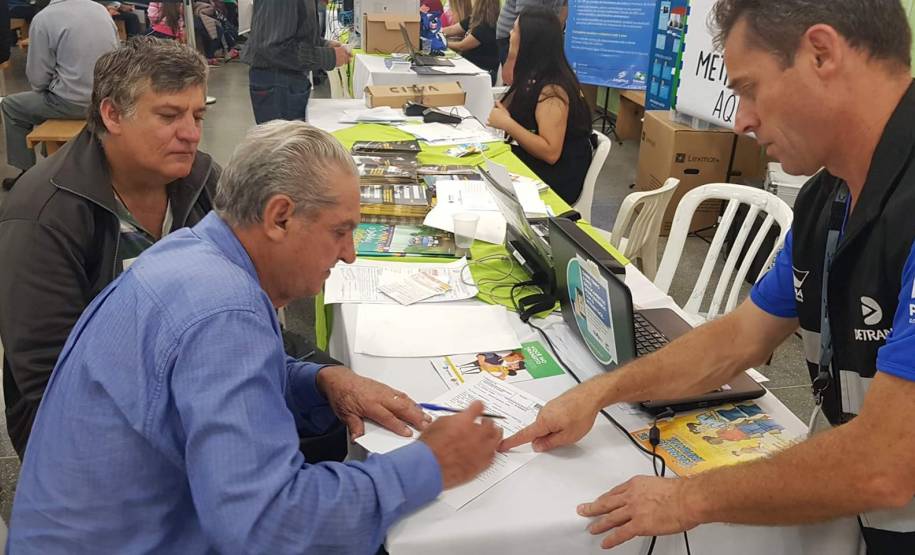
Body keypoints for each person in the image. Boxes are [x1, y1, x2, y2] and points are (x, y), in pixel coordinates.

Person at [499, 1, 915, 552]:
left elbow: (886, 462)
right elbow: (738, 337)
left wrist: (687, 499)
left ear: (822, 53)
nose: (741, 120)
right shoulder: (828, 197)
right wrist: (601, 392)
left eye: (749, 88)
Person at [7, 120, 504, 553]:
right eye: (339, 231)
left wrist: (318, 381)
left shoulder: (194, 252)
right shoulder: (224, 309)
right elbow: (269, 528)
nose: (350, 254)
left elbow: (187, 382)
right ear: (279, 217)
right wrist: (431, 465)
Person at [0, 37, 219, 459]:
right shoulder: (42, 218)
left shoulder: (202, 181)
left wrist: (315, 372)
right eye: (170, 116)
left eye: (198, 115)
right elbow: (53, 379)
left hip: (193, 389)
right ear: (112, 114)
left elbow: (249, 298)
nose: (191, 134)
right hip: (88, 431)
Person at [0, 0, 118, 187]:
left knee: (11, 106)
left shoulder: (44, 18)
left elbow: (38, 79)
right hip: (109, 98)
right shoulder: (100, 10)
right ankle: (54, 157)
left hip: (74, 102)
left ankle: (27, 176)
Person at [486, 8, 592, 205]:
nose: (510, 33)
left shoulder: (553, 90)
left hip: (558, 176)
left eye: (515, 30)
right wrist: (511, 57)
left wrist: (508, 125)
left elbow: (551, 153)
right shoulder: (534, 74)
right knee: (486, 163)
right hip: (539, 161)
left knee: (488, 174)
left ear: (529, 41)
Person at [243, 0, 351, 124]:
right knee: (282, 141)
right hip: (277, 83)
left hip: (287, 80)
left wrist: (324, 44)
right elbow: (275, 48)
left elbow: (296, 32)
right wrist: (328, 56)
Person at [495, 0, 565, 85]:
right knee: (519, 80)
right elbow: (526, 18)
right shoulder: (517, 31)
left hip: (541, 32)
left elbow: (563, 7)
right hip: (516, 32)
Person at [443, 0, 499, 84]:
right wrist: (436, 31)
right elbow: (451, 30)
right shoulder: (474, 19)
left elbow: (461, 46)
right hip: (469, 67)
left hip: (481, 73)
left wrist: (442, 43)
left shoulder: (486, 27)